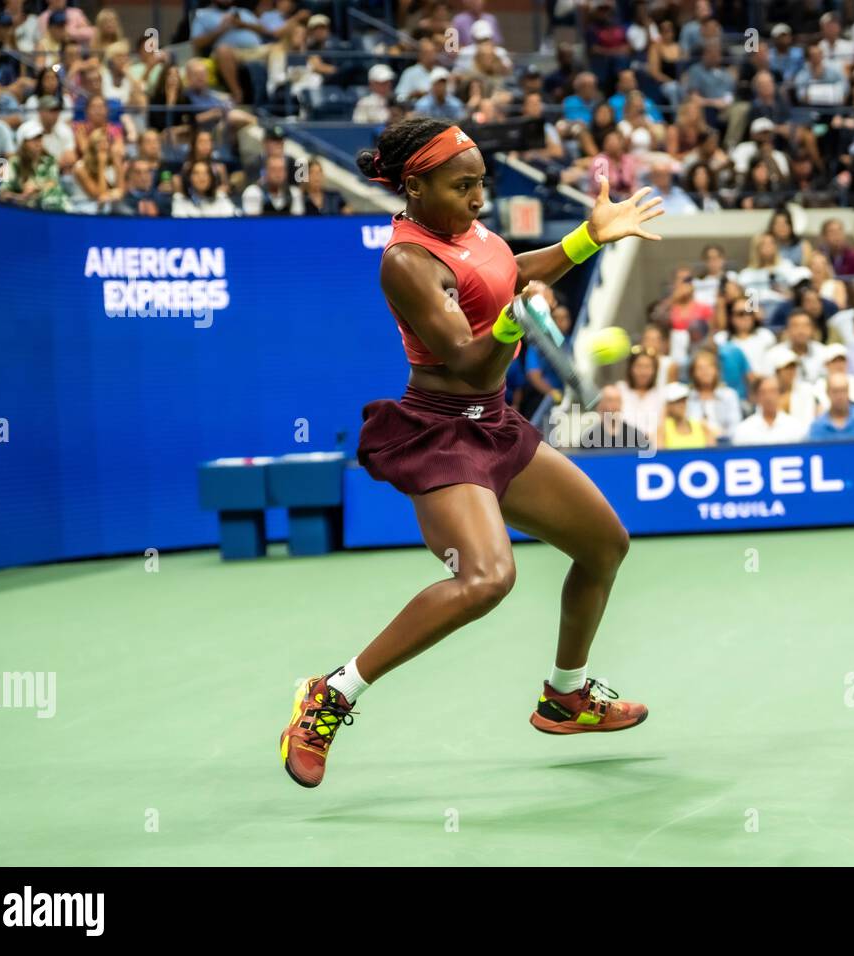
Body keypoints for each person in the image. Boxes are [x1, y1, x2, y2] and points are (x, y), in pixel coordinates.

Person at [279, 118, 665, 788]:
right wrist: (519, 323)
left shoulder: (470, 229)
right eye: (463, 187)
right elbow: (468, 362)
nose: (479, 198)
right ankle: (331, 696)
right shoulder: (405, 261)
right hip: (442, 434)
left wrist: (585, 240)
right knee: (486, 578)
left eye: (481, 183)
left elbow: (508, 271)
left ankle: (565, 696)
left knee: (604, 544)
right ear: (416, 185)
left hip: (497, 427)